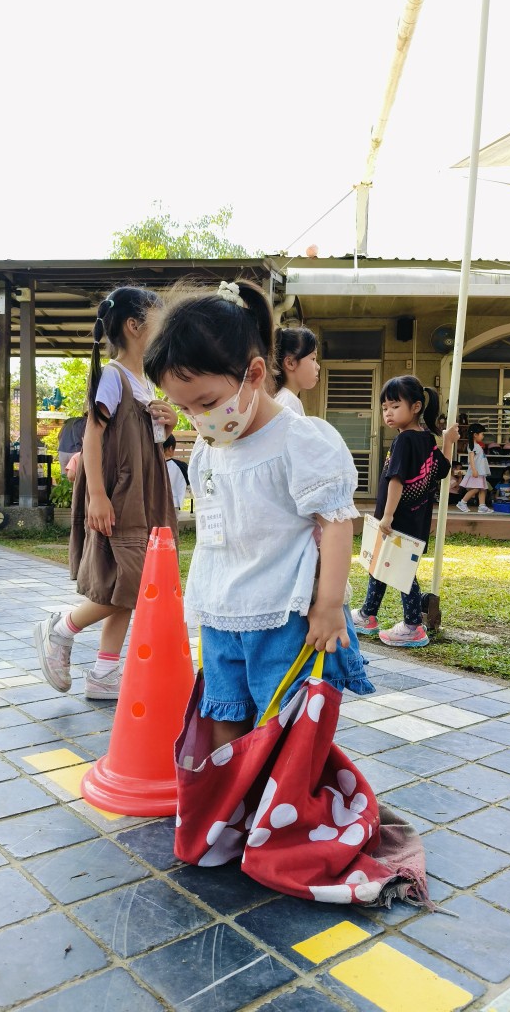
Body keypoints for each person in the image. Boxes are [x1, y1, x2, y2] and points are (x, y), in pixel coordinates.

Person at [143, 278, 372, 751]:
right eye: (185, 408)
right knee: (223, 717)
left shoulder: (299, 440)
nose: (197, 418)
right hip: (221, 612)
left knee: (284, 733)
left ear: (253, 373)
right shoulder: (209, 449)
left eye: (207, 402)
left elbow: (336, 523)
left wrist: (329, 606)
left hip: (284, 617)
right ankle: (234, 795)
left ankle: (281, 799)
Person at [33, 286, 177, 700]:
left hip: (146, 494)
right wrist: (96, 494)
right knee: (134, 580)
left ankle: (103, 672)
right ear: (134, 326)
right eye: (158, 322)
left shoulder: (145, 381)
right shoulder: (113, 376)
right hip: (121, 494)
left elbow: (148, 442)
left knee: (132, 583)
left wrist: (168, 424)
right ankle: (62, 628)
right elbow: (93, 436)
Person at [351, 376, 458, 648]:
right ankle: (367, 614)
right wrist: (447, 441)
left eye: (395, 406)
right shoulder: (426, 440)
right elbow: (443, 469)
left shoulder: (404, 441)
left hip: (397, 520)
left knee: (401, 573)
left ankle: (412, 626)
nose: (388, 412)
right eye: (385, 407)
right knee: (381, 566)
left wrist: (387, 516)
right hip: (415, 520)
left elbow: (396, 480)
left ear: (416, 407)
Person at [272, 325, 319, 415]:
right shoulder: (288, 401)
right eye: (313, 358)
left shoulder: (285, 398)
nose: (318, 367)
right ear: (290, 363)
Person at [456, 423, 493, 514]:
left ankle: (482, 506)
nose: (483, 436)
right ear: (475, 435)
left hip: (480, 472)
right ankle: (462, 502)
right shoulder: (472, 446)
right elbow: (471, 459)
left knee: (483, 488)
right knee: (476, 488)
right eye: (482, 434)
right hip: (476, 472)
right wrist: (474, 470)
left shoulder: (477, 445)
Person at [163, 434, 188, 512]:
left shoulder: (149, 465)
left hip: (151, 504)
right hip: (173, 504)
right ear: (171, 448)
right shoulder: (181, 466)